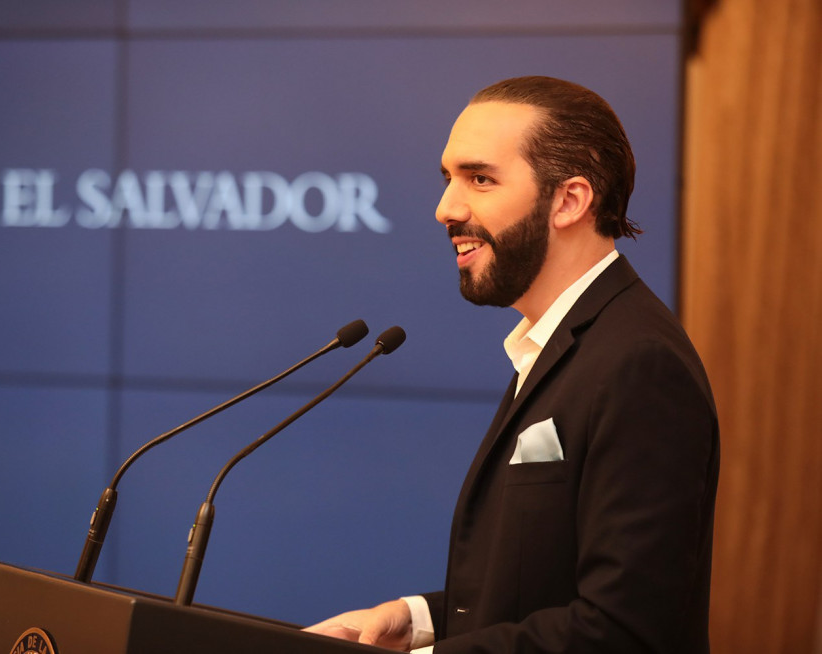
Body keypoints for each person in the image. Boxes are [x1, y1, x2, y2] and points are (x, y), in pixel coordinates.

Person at [304, 76, 720, 653]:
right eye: (448, 179)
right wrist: (417, 620)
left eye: (479, 179)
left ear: (570, 201)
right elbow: (538, 591)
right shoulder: (560, 342)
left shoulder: (638, 362)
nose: (445, 209)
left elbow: (623, 631)